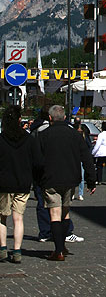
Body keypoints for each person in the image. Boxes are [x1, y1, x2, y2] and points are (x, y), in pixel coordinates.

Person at [36, 105, 96, 261]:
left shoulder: (44, 135)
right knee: (65, 212)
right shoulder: (75, 135)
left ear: (50, 118)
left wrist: (37, 180)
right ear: (64, 118)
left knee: (54, 214)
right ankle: (62, 246)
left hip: (50, 179)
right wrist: (91, 180)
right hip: (70, 179)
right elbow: (87, 158)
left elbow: (36, 161)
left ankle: (58, 250)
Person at [31, 109, 84, 244]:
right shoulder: (68, 132)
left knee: (51, 210)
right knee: (63, 211)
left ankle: (56, 245)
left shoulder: (39, 132)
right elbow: (84, 154)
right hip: (65, 175)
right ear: (64, 117)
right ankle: (62, 238)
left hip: (47, 176)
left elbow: (36, 158)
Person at [0, 106, 42, 264]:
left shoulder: (1, 139)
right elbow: (38, 162)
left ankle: (2, 248)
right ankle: (17, 251)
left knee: (1, 218)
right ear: (19, 120)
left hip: (3, 183)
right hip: (23, 183)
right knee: (18, 218)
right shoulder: (29, 139)